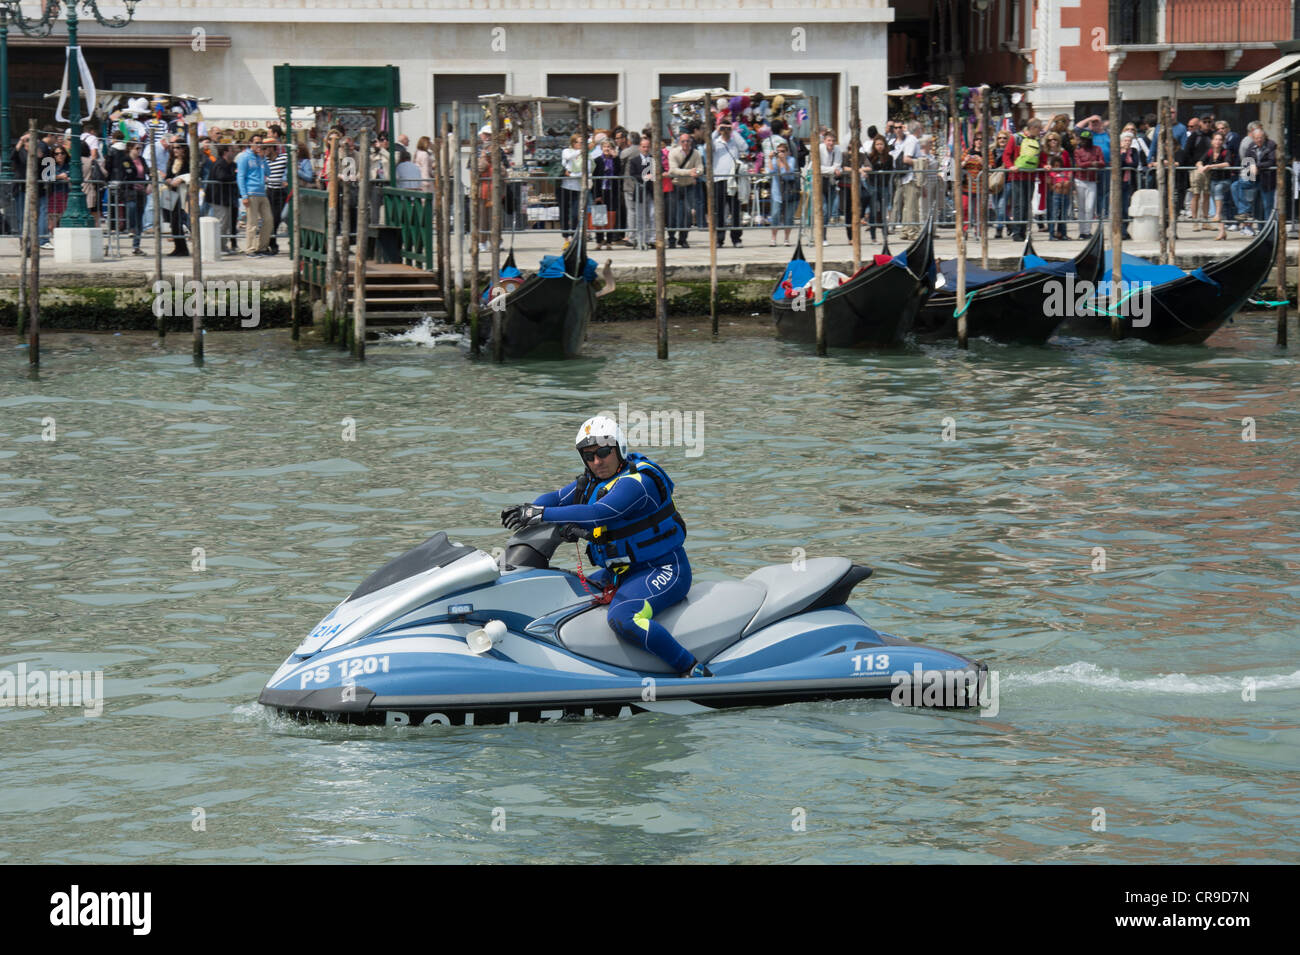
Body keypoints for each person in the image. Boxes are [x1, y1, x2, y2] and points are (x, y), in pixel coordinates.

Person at [500, 416, 709, 679]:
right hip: (620, 573)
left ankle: (691, 669)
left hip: (663, 569)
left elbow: (600, 513)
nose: (597, 461)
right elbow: (554, 499)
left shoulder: (638, 483)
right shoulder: (591, 482)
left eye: (603, 452)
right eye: (589, 456)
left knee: (623, 617)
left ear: (618, 448)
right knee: (565, 592)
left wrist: (541, 514)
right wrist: (527, 510)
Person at [667, 130, 703, 249]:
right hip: (675, 186)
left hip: (689, 186)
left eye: (688, 141)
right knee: (672, 214)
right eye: (683, 141)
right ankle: (672, 239)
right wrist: (689, 172)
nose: (686, 143)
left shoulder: (696, 153)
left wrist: (696, 173)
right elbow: (673, 170)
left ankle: (683, 239)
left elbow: (700, 168)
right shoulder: (673, 153)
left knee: (688, 214)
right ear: (679, 142)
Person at [236, 138, 272, 256]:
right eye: (257, 143)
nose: (259, 145)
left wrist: (263, 159)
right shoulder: (244, 157)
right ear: (250, 143)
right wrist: (244, 195)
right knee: (252, 222)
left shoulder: (260, 158)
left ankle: (262, 247)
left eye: (260, 143)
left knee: (268, 220)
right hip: (251, 192)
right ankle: (250, 248)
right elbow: (240, 176)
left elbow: (268, 172)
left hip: (262, 192)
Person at [1199, 132, 1233, 240]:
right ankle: (1222, 231)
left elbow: (1227, 164)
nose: (1218, 142)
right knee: (1219, 205)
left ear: (1222, 142)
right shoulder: (1209, 151)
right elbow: (1199, 161)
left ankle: (1216, 214)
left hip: (1224, 181)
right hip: (1213, 181)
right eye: (1216, 139)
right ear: (1212, 141)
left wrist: (1211, 166)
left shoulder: (1225, 152)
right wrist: (1201, 167)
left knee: (1218, 191)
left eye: (1220, 140)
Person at [1071, 128, 1104, 239]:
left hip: (1092, 181)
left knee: (1090, 207)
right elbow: (1079, 164)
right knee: (1081, 208)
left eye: (1086, 139)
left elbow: (1102, 162)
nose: (1084, 142)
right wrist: (1092, 163)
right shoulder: (1077, 151)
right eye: (1083, 139)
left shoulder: (1097, 149)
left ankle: (1088, 230)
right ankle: (1082, 232)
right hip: (1080, 180)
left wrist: (1093, 164)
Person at [768, 140, 799, 246]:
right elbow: (771, 172)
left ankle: (786, 239)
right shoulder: (775, 160)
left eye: (783, 151)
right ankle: (773, 239)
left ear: (787, 152)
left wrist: (784, 160)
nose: (780, 153)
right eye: (778, 151)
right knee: (775, 214)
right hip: (777, 192)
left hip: (788, 191)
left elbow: (788, 172)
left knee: (789, 217)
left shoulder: (791, 159)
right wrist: (770, 159)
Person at [559, 132, 585, 240]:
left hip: (577, 188)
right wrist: (581, 151)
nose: (582, 144)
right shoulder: (567, 151)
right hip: (565, 187)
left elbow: (585, 171)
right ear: (574, 143)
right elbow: (568, 157)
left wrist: (572, 174)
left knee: (575, 214)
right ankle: (565, 237)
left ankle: (574, 235)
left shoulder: (585, 155)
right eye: (580, 142)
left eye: (583, 143)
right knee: (564, 212)